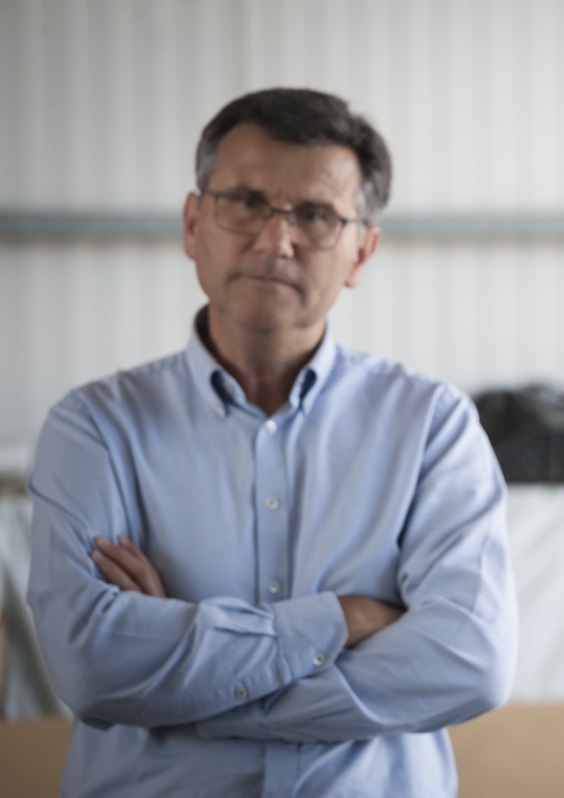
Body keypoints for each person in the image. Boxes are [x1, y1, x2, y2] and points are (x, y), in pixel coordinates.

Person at [26, 88, 518, 797]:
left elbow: (471, 662)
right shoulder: (94, 428)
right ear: (194, 224)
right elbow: (92, 669)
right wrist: (342, 619)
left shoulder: (431, 427)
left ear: (360, 252)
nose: (274, 241)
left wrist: (188, 678)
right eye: (246, 202)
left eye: (314, 215)